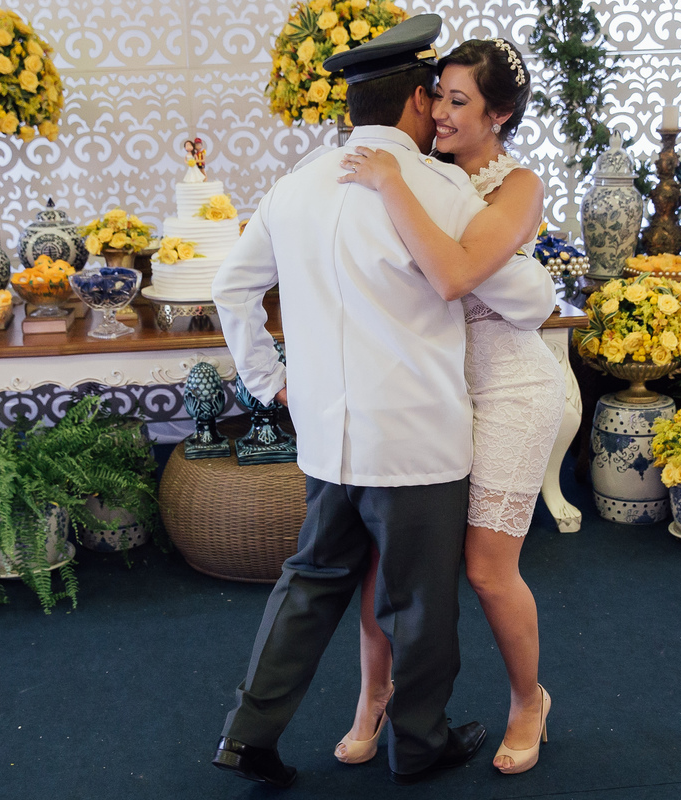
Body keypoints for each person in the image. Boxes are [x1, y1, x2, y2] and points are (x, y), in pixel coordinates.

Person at [209, 15, 554, 788]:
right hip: (417, 437)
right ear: (415, 104)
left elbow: (231, 287)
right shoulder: (441, 188)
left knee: (310, 581)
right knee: (418, 603)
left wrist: (270, 382)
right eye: (436, 99)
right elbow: (525, 296)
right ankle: (419, 744)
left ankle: (247, 733)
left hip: (328, 435)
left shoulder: (294, 187)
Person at [334, 37, 564, 776]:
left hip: (508, 389)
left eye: (459, 100)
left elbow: (455, 274)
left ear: (498, 115)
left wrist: (392, 185)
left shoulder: (518, 185)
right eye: (436, 93)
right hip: (427, 393)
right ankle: (376, 696)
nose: (439, 110)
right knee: (382, 561)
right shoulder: (424, 169)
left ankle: (529, 700)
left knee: (489, 569)